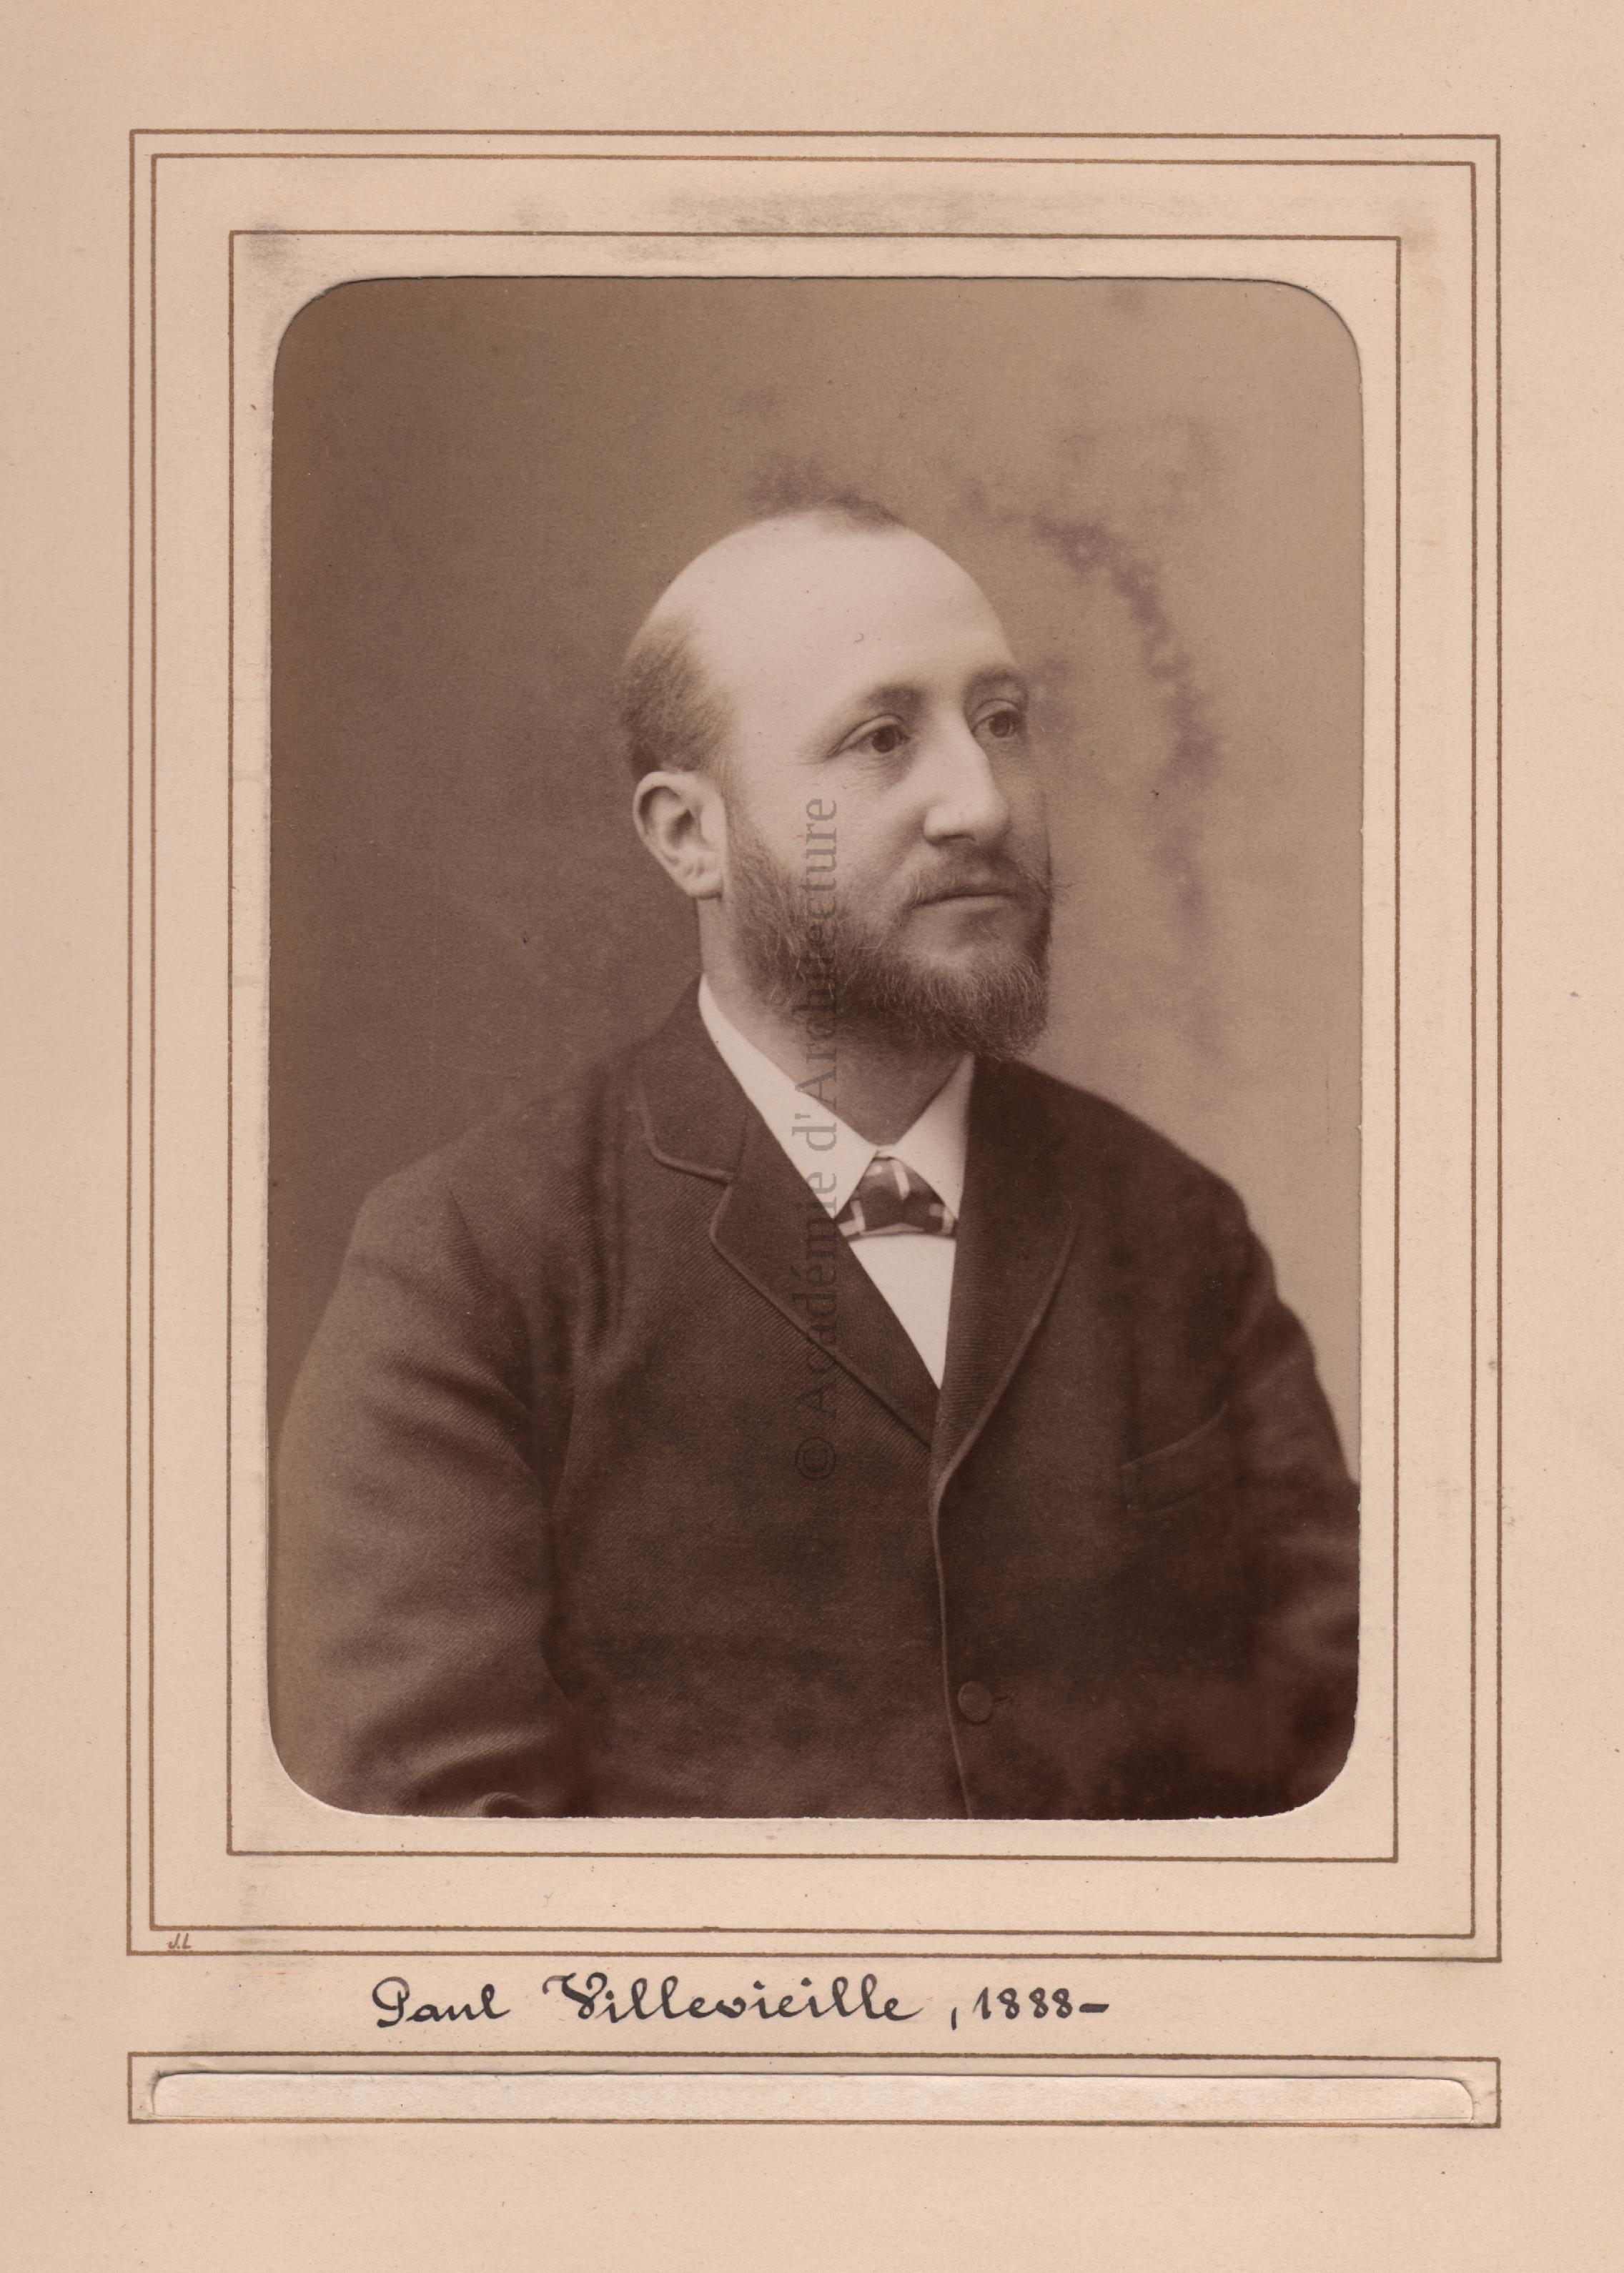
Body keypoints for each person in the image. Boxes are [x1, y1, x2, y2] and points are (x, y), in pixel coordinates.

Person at [270, 498, 1358, 1822]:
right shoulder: (471, 1267)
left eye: (1001, 721)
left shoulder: (1174, 1229)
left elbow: (1353, 1760)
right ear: (691, 835)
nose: (980, 802)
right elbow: (429, 1856)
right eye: (881, 738)